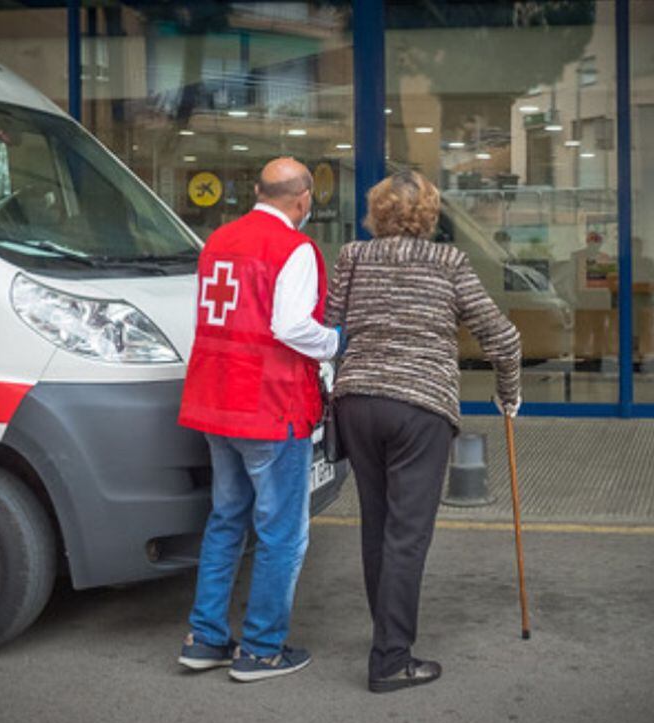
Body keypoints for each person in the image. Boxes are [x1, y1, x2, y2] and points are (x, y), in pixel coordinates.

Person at [326, 170, 521, 694]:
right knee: (408, 534)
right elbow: (503, 338)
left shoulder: (352, 256)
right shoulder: (448, 262)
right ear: (429, 215)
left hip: (357, 402)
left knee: (377, 525)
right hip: (419, 407)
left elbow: (326, 324)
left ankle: (386, 633)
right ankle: (390, 659)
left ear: (377, 212)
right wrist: (509, 393)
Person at [176, 157, 341, 682]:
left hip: (214, 399)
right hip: (270, 406)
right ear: (304, 198)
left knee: (226, 520)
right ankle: (262, 648)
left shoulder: (217, 240)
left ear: (256, 190)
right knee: (282, 533)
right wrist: (337, 342)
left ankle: (205, 639)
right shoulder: (295, 249)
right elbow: (291, 325)